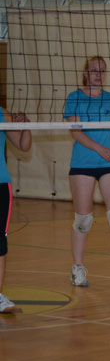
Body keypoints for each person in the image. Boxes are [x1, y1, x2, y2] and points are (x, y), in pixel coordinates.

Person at [63, 56, 110, 292]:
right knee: (83, 220)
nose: (98, 74)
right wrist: (99, 149)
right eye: (94, 70)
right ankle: (77, 268)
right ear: (86, 73)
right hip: (83, 163)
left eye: (102, 71)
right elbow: (75, 132)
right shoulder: (74, 97)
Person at [0, 109, 32, 314]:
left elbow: (23, 145)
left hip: (1, 183)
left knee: (0, 242)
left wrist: (26, 126)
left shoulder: (2, 114)